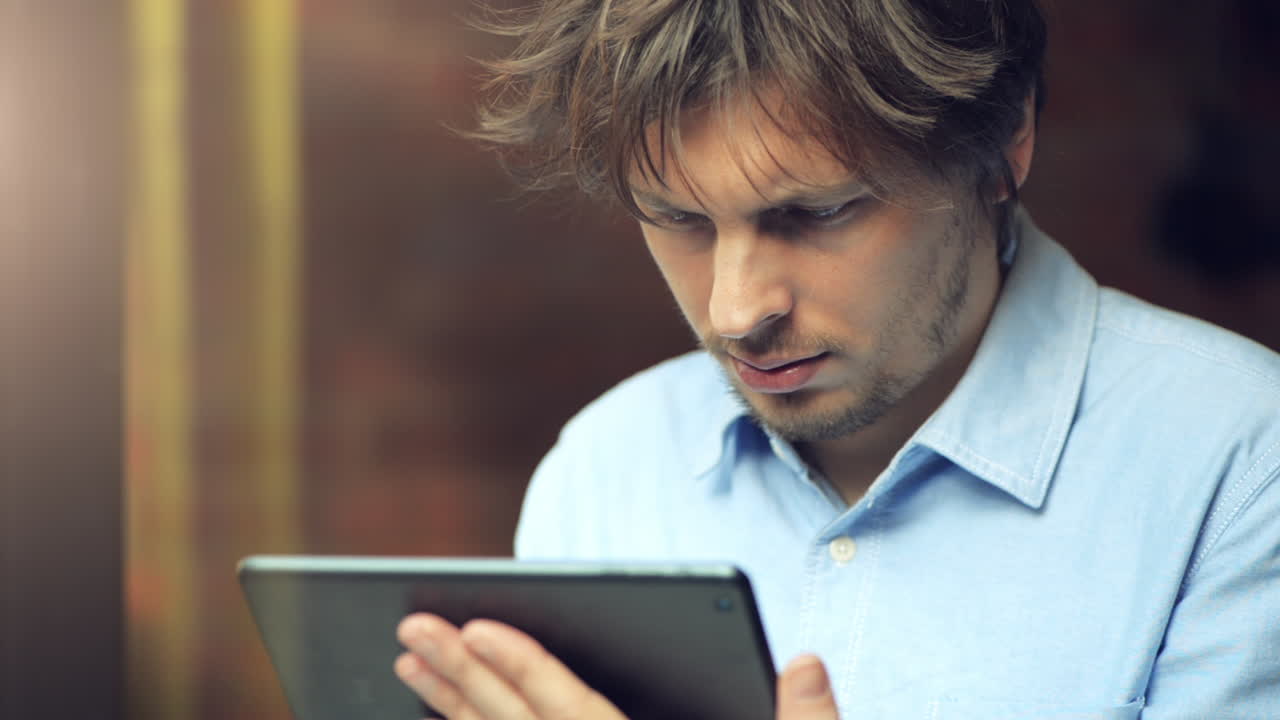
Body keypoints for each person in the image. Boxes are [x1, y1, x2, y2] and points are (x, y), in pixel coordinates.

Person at [392, 0, 1280, 717]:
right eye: (679, 220)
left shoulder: (1238, 466)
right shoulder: (602, 473)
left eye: (815, 214)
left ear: (1004, 142)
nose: (736, 313)